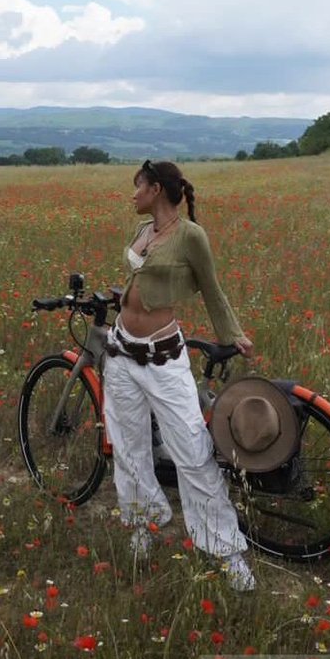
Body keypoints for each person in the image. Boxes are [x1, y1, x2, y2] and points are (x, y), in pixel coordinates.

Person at [103, 159, 256, 591]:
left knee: (191, 451)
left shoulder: (191, 236)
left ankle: (226, 551)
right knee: (130, 447)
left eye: (138, 187)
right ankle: (145, 525)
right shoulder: (143, 232)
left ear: (156, 189)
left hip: (162, 357)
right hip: (121, 353)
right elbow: (136, 282)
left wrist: (233, 334)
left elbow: (212, 288)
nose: (132, 195)